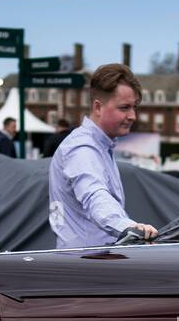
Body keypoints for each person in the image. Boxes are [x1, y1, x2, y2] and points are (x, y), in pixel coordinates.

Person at [49, 63, 157, 248]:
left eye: (134, 107)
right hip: (84, 264)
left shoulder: (99, 145)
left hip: (89, 259)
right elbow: (94, 195)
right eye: (124, 108)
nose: (133, 116)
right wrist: (128, 226)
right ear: (98, 107)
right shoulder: (82, 149)